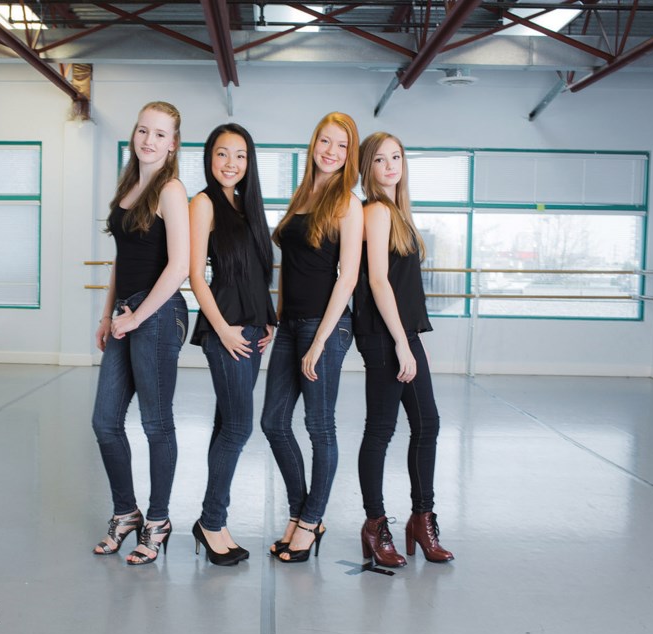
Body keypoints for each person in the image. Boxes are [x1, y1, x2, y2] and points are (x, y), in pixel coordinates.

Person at [91, 101, 190, 566]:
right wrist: (108, 314)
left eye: (160, 134)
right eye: (143, 130)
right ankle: (125, 511)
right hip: (126, 314)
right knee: (105, 421)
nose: (148, 140)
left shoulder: (171, 190)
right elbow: (121, 259)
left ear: (173, 144)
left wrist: (135, 316)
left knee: (155, 423)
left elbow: (180, 266)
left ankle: (158, 519)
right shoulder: (129, 187)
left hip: (159, 312)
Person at [261, 112, 363, 563]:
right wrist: (276, 318)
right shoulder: (302, 195)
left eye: (341, 146)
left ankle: (309, 519)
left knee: (319, 428)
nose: (331, 152)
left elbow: (348, 278)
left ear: (350, 154)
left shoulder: (349, 203)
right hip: (290, 324)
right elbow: (290, 268)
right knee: (272, 422)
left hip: (326, 327)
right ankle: (305, 513)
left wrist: (321, 340)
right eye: (325, 141)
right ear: (313, 144)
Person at [354, 132, 454, 567]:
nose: (391, 165)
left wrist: (407, 340)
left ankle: (422, 518)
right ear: (367, 167)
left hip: (403, 333)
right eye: (380, 159)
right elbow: (377, 280)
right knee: (380, 429)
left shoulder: (398, 213)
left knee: (427, 423)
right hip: (383, 334)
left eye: (396, 157)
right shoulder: (375, 211)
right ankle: (375, 526)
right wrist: (399, 342)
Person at [188, 123, 277, 566]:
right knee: (240, 427)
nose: (230, 163)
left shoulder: (246, 206)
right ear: (209, 158)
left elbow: (260, 272)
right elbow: (195, 275)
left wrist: (269, 321)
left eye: (240, 155)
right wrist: (221, 328)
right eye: (222, 154)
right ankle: (211, 521)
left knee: (228, 424)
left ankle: (213, 521)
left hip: (252, 330)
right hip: (226, 331)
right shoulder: (203, 203)